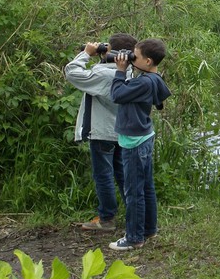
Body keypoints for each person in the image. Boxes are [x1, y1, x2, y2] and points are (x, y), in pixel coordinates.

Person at [64, 33, 137, 232]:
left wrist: (86, 54)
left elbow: (72, 72)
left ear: (114, 53)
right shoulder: (128, 73)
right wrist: (104, 59)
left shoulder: (103, 74)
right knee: (122, 174)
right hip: (120, 132)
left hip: (102, 132)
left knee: (103, 175)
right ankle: (134, 215)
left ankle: (106, 219)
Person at [108, 38, 171, 251]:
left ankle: (134, 237)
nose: (131, 57)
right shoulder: (153, 79)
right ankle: (149, 229)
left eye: (136, 55)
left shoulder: (143, 82)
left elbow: (116, 94)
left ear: (148, 61)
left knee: (133, 191)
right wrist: (129, 67)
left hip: (134, 142)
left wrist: (119, 70)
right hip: (144, 136)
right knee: (146, 186)